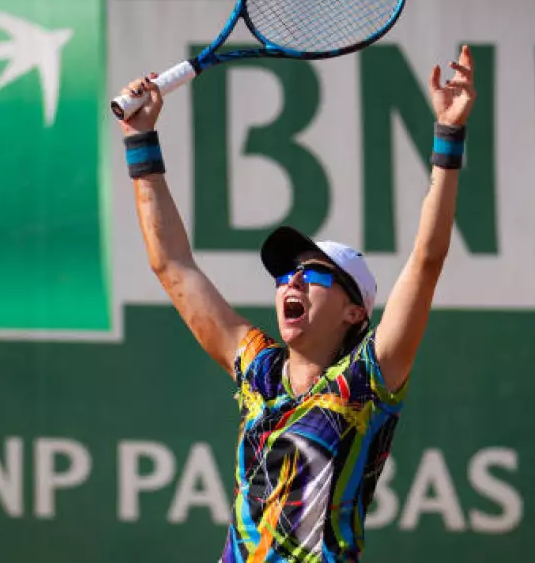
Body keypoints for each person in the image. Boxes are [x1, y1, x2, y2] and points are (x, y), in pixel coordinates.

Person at [116, 45, 476, 562]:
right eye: (285, 275)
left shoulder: (367, 382)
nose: (292, 283)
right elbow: (172, 265)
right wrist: (140, 140)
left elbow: (426, 261)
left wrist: (449, 136)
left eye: (312, 275)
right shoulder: (258, 370)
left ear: (355, 311)